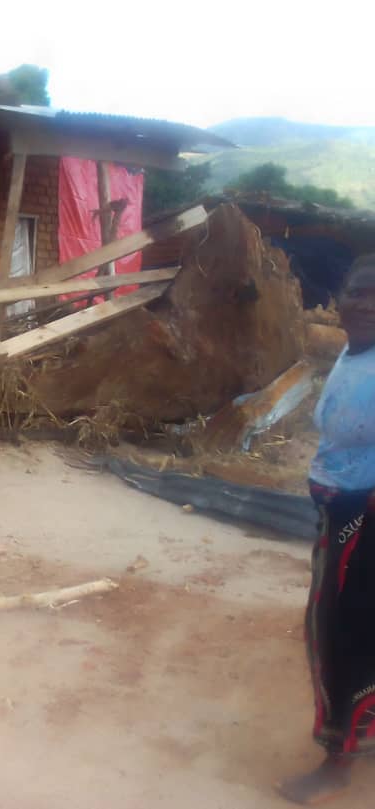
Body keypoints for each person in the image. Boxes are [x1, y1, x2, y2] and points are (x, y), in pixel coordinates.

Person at [278, 255, 375, 804]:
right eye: (357, 292)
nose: (363, 304)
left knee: (336, 636)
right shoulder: (352, 350)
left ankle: (338, 759)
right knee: (355, 629)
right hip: (339, 511)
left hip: (361, 517)